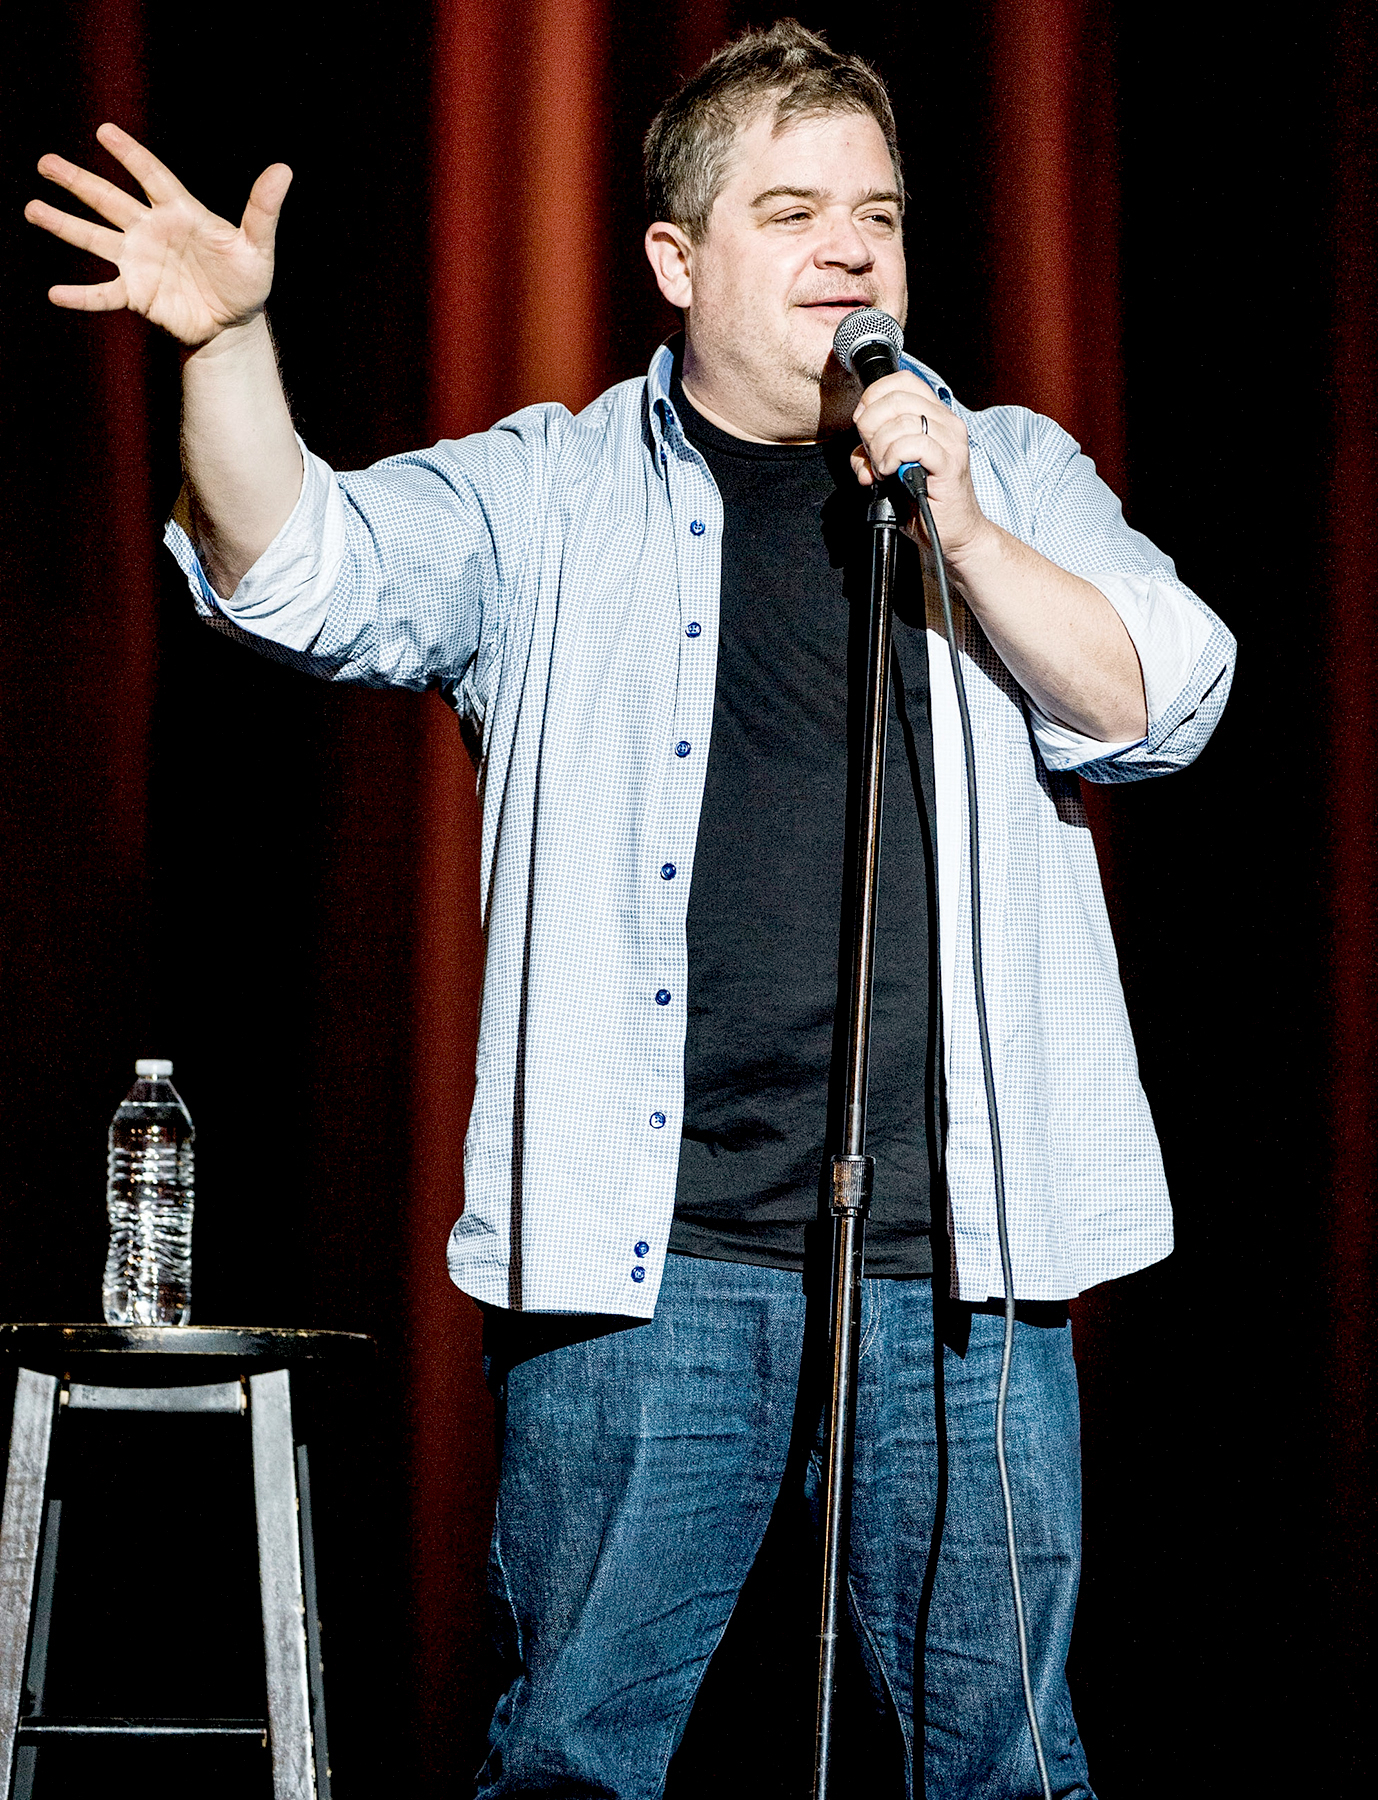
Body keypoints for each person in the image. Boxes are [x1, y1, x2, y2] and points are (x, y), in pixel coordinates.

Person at [27, 21, 1233, 1799]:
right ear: (676, 261)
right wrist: (227, 342)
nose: (850, 252)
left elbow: (1163, 699)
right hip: (646, 1261)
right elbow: (297, 570)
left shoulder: (1006, 471)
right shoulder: (549, 491)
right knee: (578, 1761)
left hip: (961, 1253)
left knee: (1009, 1764)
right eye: (795, 212)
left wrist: (966, 529)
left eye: (878, 218)